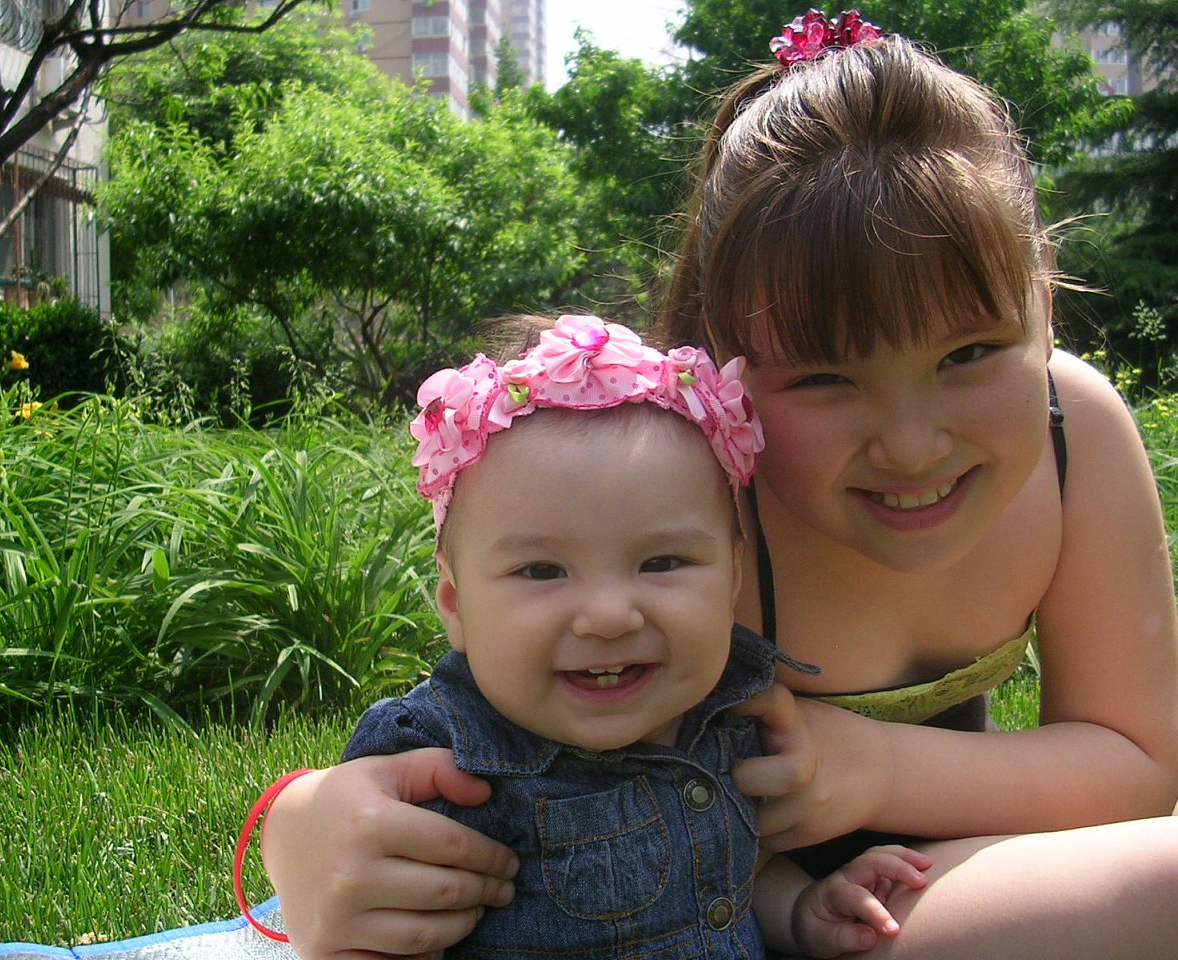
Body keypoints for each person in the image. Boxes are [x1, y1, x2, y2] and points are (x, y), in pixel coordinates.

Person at [258, 12, 1178, 960]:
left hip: (898, 891)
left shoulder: (1074, 433)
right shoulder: (682, 487)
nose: (911, 446)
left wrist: (872, 767)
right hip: (735, 905)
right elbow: (494, 699)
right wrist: (299, 825)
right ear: (723, 360)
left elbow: (1142, 769)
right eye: (825, 377)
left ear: (1044, 294)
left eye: (970, 353)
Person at [241, 314, 933, 958]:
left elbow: (724, 869)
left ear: (731, 578)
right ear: (455, 602)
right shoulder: (445, 759)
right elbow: (370, 898)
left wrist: (803, 910)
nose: (607, 616)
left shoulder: (728, 714)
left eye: (662, 562)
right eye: (542, 571)